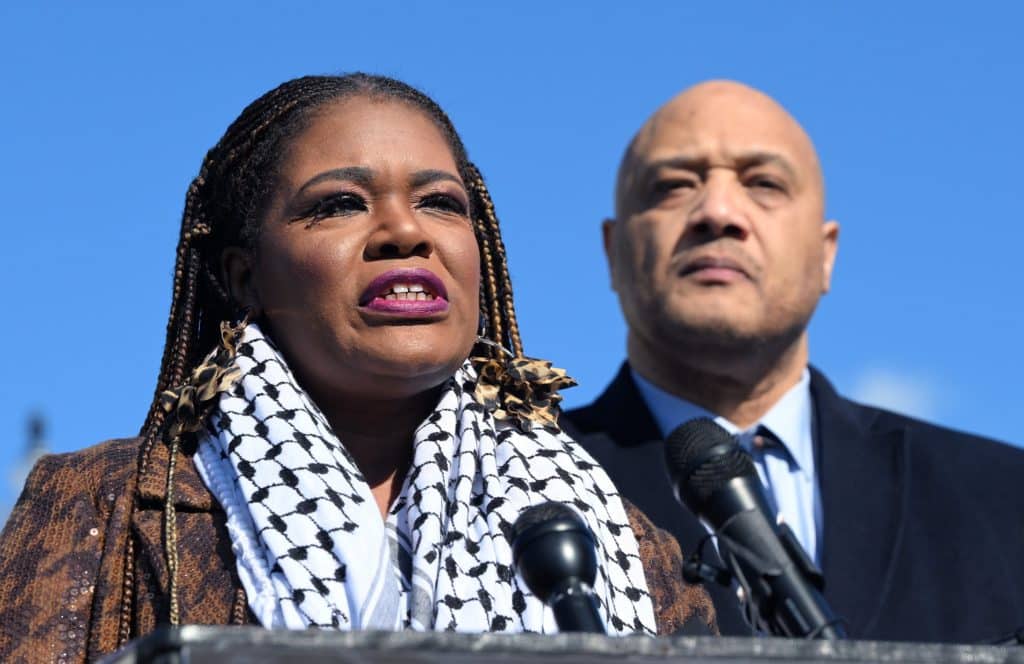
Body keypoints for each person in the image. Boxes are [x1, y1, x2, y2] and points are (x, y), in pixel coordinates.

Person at [0, 74, 716, 662]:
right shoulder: (106, 507)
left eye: (440, 203)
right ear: (244, 276)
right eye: (339, 205)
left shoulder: (620, 541)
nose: (405, 232)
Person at [562, 80, 1024, 643]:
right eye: (674, 185)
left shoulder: (1003, 500)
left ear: (826, 253)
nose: (718, 212)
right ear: (613, 252)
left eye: (764, 184)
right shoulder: (518, 497)